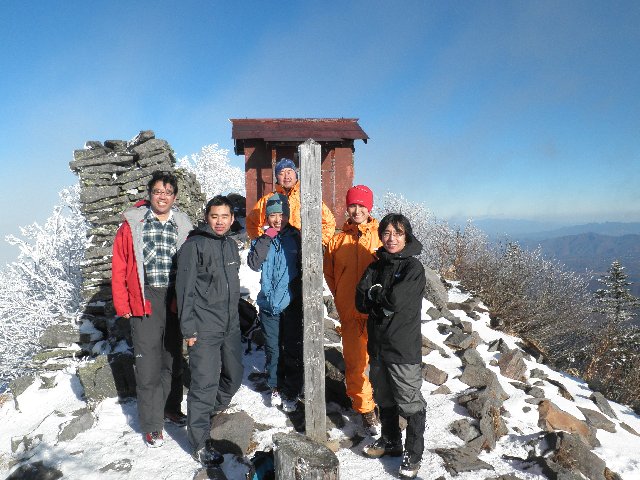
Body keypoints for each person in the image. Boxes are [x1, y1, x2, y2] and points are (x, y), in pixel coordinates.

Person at [111, 170, 193, 448]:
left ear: (175, 197)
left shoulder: (182, 224)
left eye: (168, 192)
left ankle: (170, 407)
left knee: (172, 358)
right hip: (144, 298)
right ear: (150, 194)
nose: (162, 197)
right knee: (148, 362)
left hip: (173, 299)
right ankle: (152, 424)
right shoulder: (133, 224)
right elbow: (120, 265)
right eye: (158, 191)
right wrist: (123, 303)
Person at [356, 213, 427, 479]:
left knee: (409, 401)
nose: (391, 238)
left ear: (406, 235)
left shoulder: (412, 268)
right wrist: (377, 297)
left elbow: (395, 302)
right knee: (384, 396)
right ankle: (391, 440)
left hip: (402, 347)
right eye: (386, 233)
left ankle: (414, 453)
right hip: (378, 345)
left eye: (397, 233)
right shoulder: (376, 266)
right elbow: (361, 301)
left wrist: (377, 295)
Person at [176, 195, 243, 467]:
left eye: (224, 216)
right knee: (203, 384)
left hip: (230, 324)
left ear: (231, 219)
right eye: (214, 216)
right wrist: (188, 328)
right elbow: (185, 289)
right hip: (204, 326)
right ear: (207, 217)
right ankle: (200, 442)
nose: (219, 221)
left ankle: (208, 411)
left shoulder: (230, 245)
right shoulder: (195, 246)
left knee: (235, 375)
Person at [323, 185, 382, 436]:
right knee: (356, 366)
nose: (357, 210)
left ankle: (385, 404)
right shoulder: (337, 241)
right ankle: (367, 411)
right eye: (352, 205)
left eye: (362, 205)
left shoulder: (382, 236)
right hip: (350, 313)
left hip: (379, 315)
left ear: (370, 208)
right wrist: (343, 301)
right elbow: (331, 276)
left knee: (382, 364)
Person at [247, 193, 304, 414]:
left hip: (291, 303)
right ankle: (275, 385)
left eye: (281, 214)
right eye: (273, 215)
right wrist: (266, 237)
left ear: (288, 215)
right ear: (267, 217)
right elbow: (253, 263)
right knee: (272, 348)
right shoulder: (262, 239)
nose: (277, 219)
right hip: (269, 304)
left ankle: (292, 389)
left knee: (291, 347)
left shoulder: (297, 237)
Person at [245, 158, 336, 246]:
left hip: (302, 249)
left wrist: (318, 243)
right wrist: (264, 242)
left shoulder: (308, 198)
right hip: (278, 251)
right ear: (277, 177)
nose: (286, 176)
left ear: (296, 175)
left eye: (289, 171)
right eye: (281, 173)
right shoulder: (270, 199)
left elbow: (329, 222)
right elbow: (251, 223)